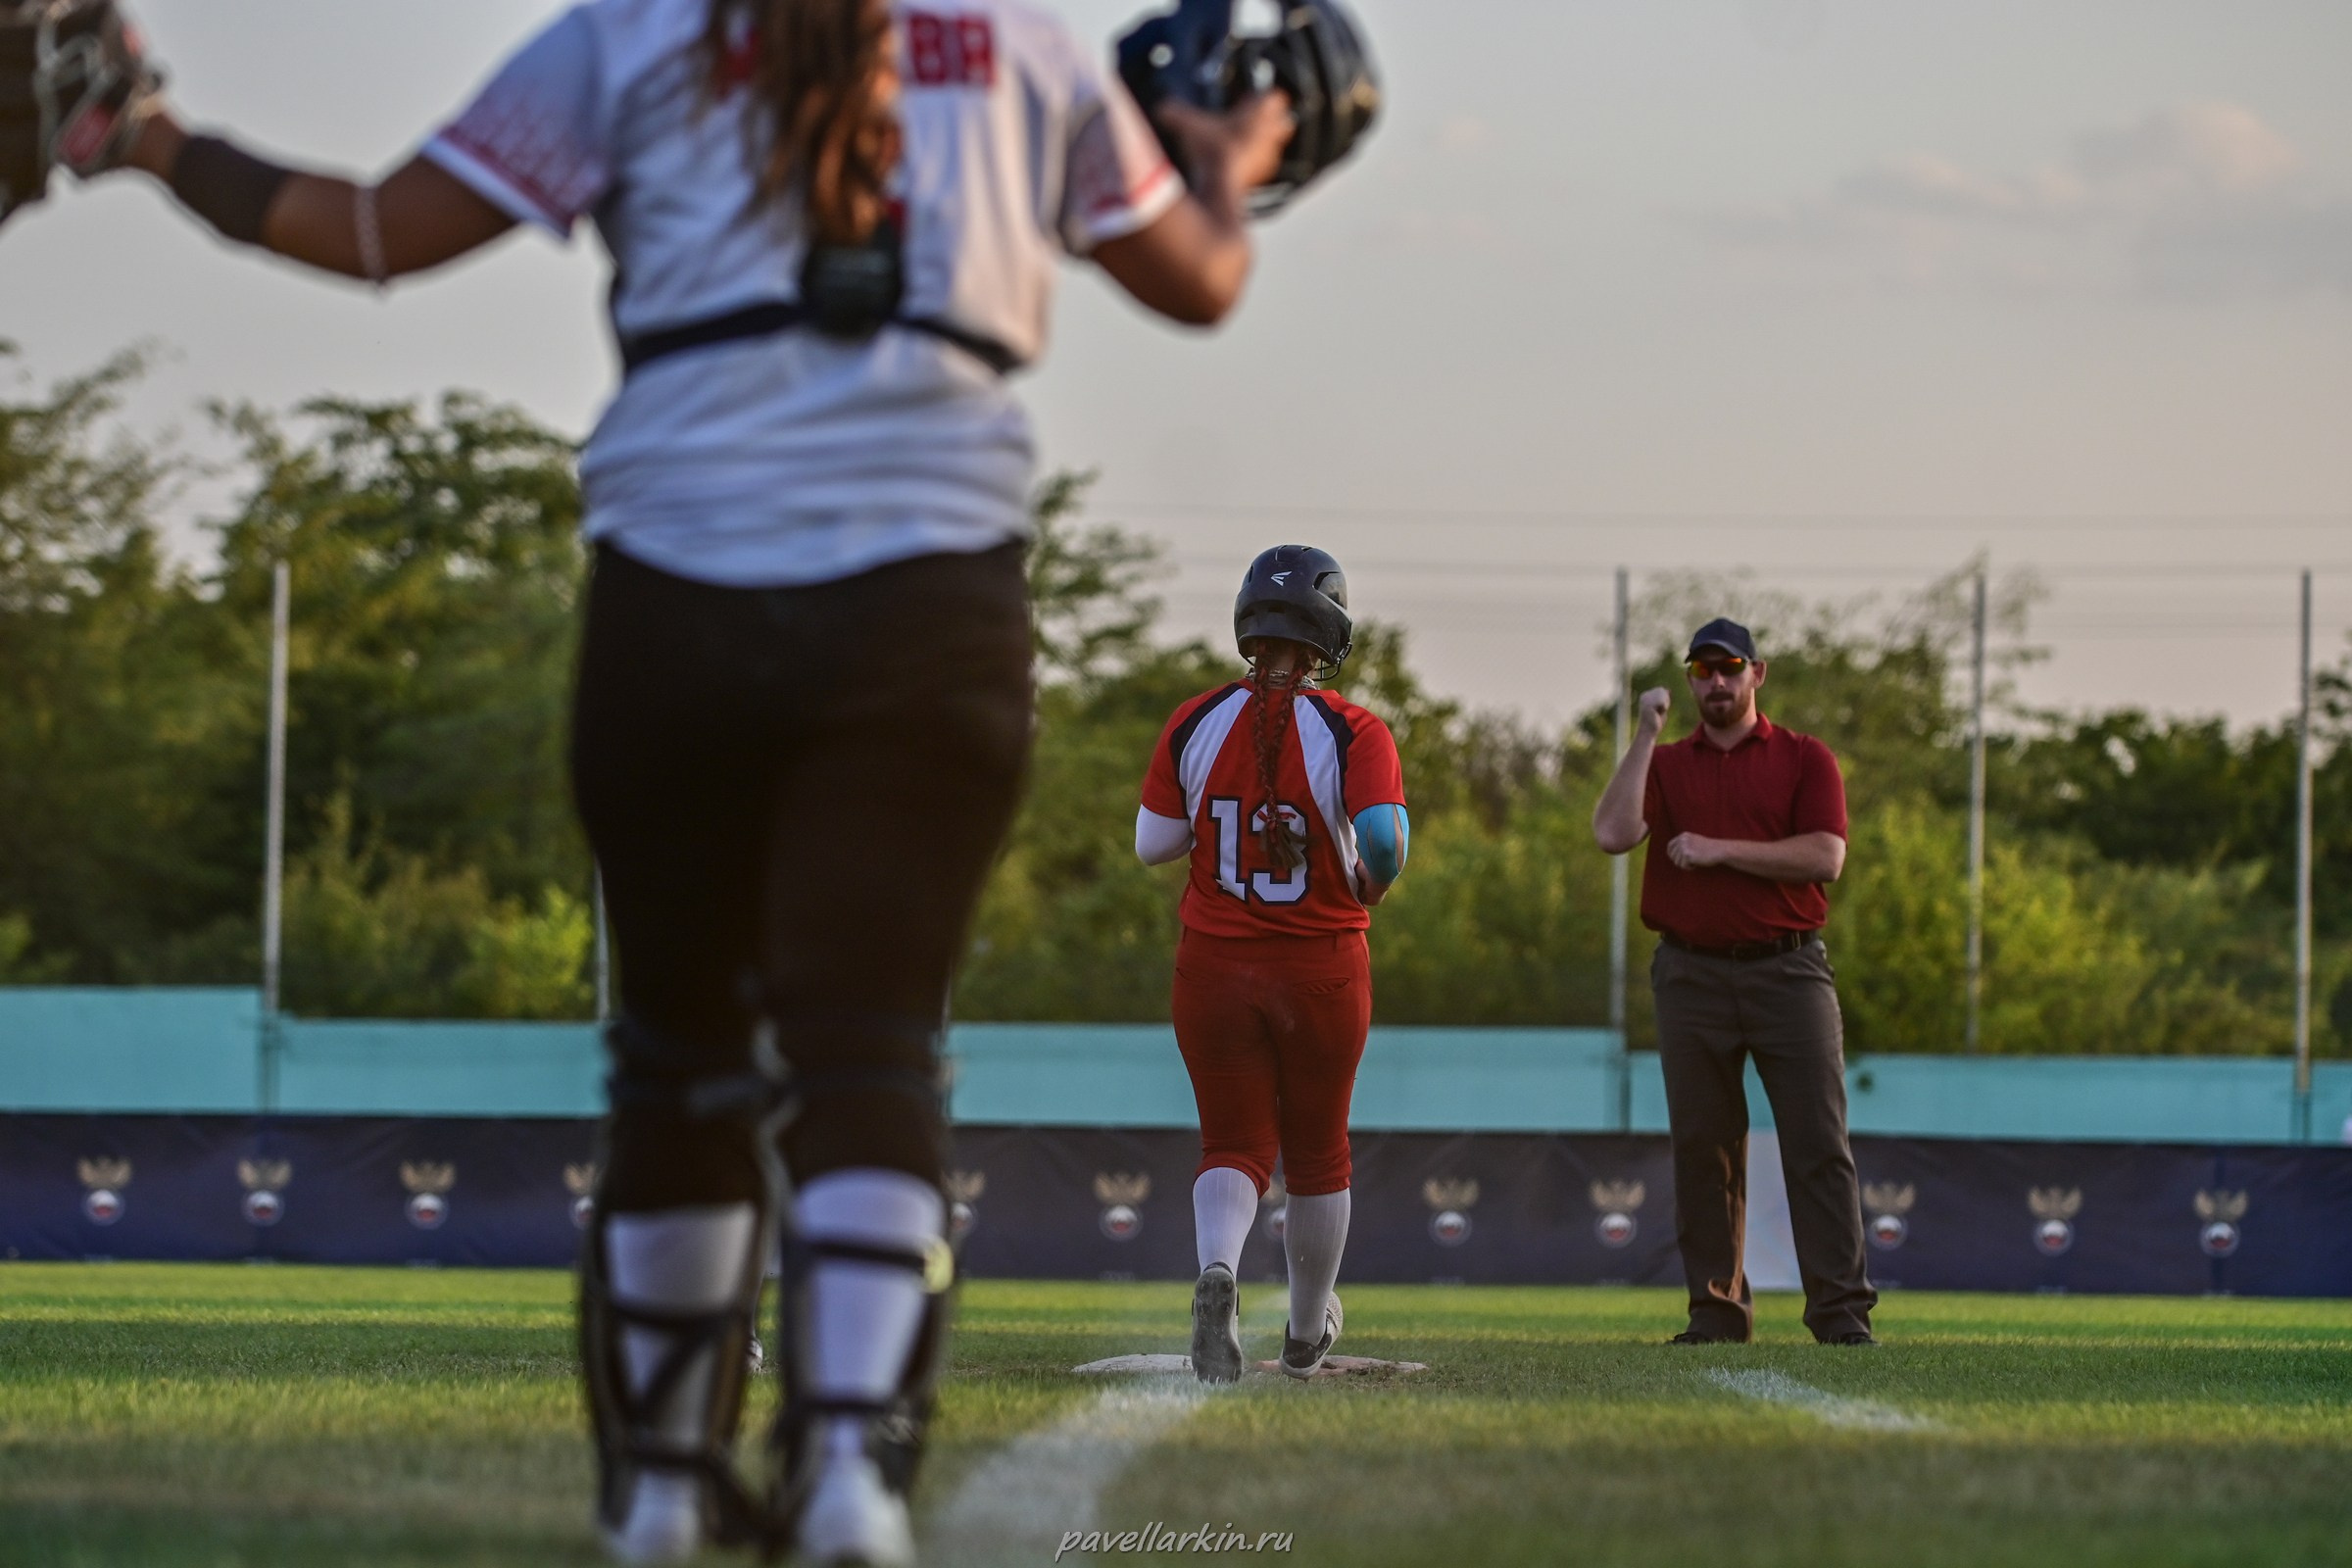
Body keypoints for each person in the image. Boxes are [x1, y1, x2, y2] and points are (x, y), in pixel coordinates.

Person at [63, 1, 1301, 1560]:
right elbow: (1200, 280)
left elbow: (367, 231)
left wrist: (144, 139)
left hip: (679, 591)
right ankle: (848, 1477)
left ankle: (661, 1486)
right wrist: (1232, 161)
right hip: (930, 598)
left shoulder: (626, 34)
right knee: (869, 1050)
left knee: (680, 1061)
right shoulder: (1021, 45)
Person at [1135, 546, 1409, 1383]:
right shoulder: (1354, 730)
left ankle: (1217, 1269)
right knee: (1319, 1150)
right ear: (1330, 631)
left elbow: (1153, 845)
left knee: (1233, 1142)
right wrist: (1367, 882)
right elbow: (1385, 843)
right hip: (1321, 966)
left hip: (1212, 967)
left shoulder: (1194, 719)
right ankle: (1301, 1332)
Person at [1590, 617, 1877, 1347]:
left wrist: (1717, 850)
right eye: (1702, 670)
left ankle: (1841, 1315)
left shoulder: (1805, 758)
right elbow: (1613, 833)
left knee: (1819, 1143)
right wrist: (1646, 734)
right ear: (1688, 680)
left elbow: (1824, 857)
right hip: (1690, 973)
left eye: (1730, 668)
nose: (1716, 682)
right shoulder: (1668, 761)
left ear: (1758, 674)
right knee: (1705, 1149)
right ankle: (1717, 1313)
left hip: (1790, 969)